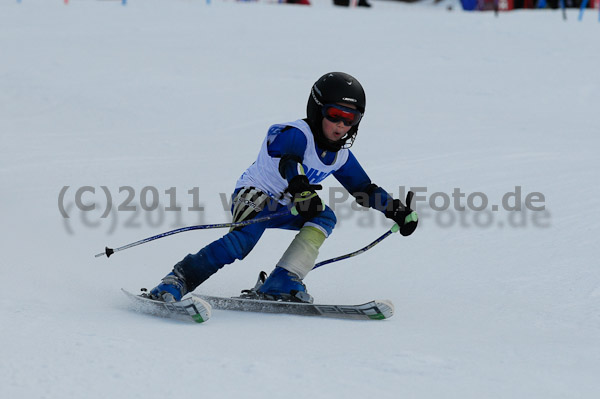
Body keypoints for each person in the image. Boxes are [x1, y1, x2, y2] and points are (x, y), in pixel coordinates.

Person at [147, 72, 418, 303]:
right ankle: (178, 279)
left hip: (289, 204)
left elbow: (364, 189)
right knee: (242, 243)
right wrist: (301, 189)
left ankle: (283, 278)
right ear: (317, 109)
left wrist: (395, 209)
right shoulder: (294, 132)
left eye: (351, 119)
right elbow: (289, 160)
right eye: (335, 115)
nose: (341, 126)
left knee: (324, 216)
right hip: (254, 195)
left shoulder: (340, 156)